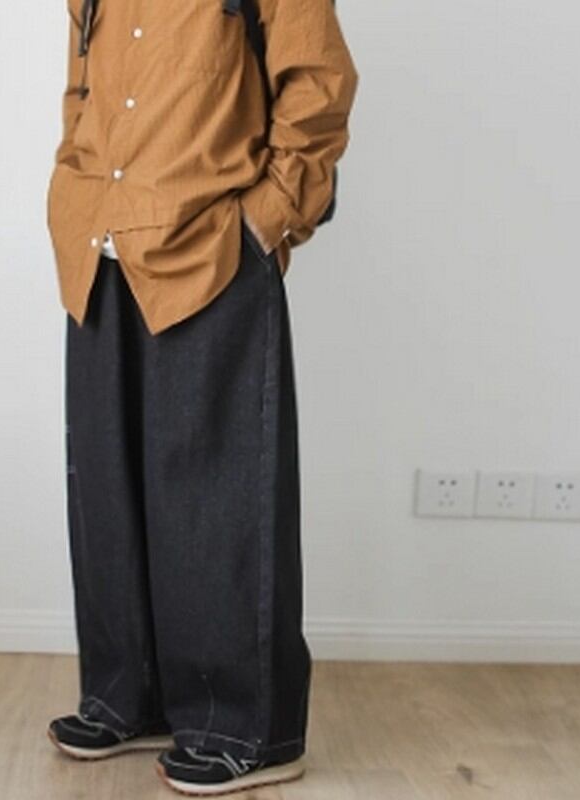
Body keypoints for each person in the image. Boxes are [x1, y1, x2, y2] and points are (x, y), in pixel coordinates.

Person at [44, 0, 358, 793]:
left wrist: (265, 221)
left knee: (220, 498)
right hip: (100, 250)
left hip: (210, 250)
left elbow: (319, 84)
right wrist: (73, 195)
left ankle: (247, 729)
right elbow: (81, 89)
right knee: (108, 490)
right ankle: (129, 696)